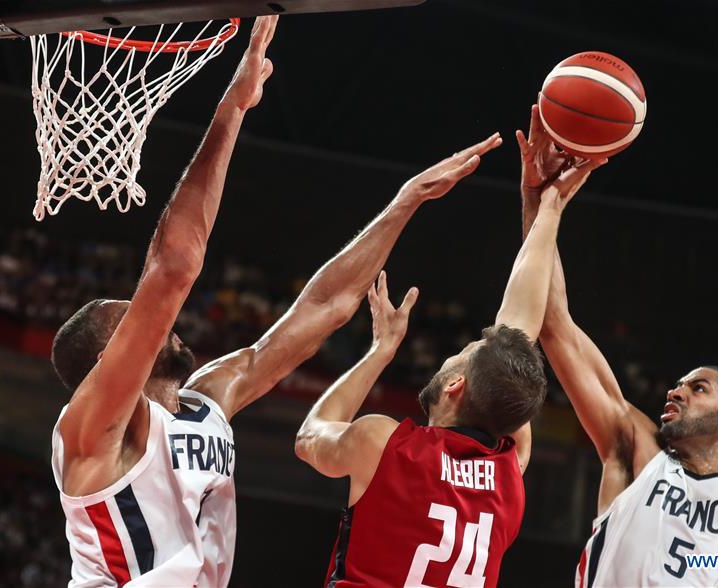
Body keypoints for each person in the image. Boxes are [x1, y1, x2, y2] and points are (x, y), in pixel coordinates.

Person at [49, 15, 503, 587]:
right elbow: (173, 269)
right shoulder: (88, 432)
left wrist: (403, 204)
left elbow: (323, 310)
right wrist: (231, 112)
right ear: (104, 361)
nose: (158, 322)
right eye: (132, 318)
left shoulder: (206, 400)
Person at [516, 102, 718, 587]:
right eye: (679, 385)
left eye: (698, 388)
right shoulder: (636, 450)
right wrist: (540, 201)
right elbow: (553, 323)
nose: (675, 392)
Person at [295, 157, 601, 587]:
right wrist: (549, 205)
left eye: (463, 353)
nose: (454, 354)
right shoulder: (508, 476)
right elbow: (519, 329)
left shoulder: (383, 444)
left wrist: (379, 351)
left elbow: (310, 436)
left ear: (456, 384)